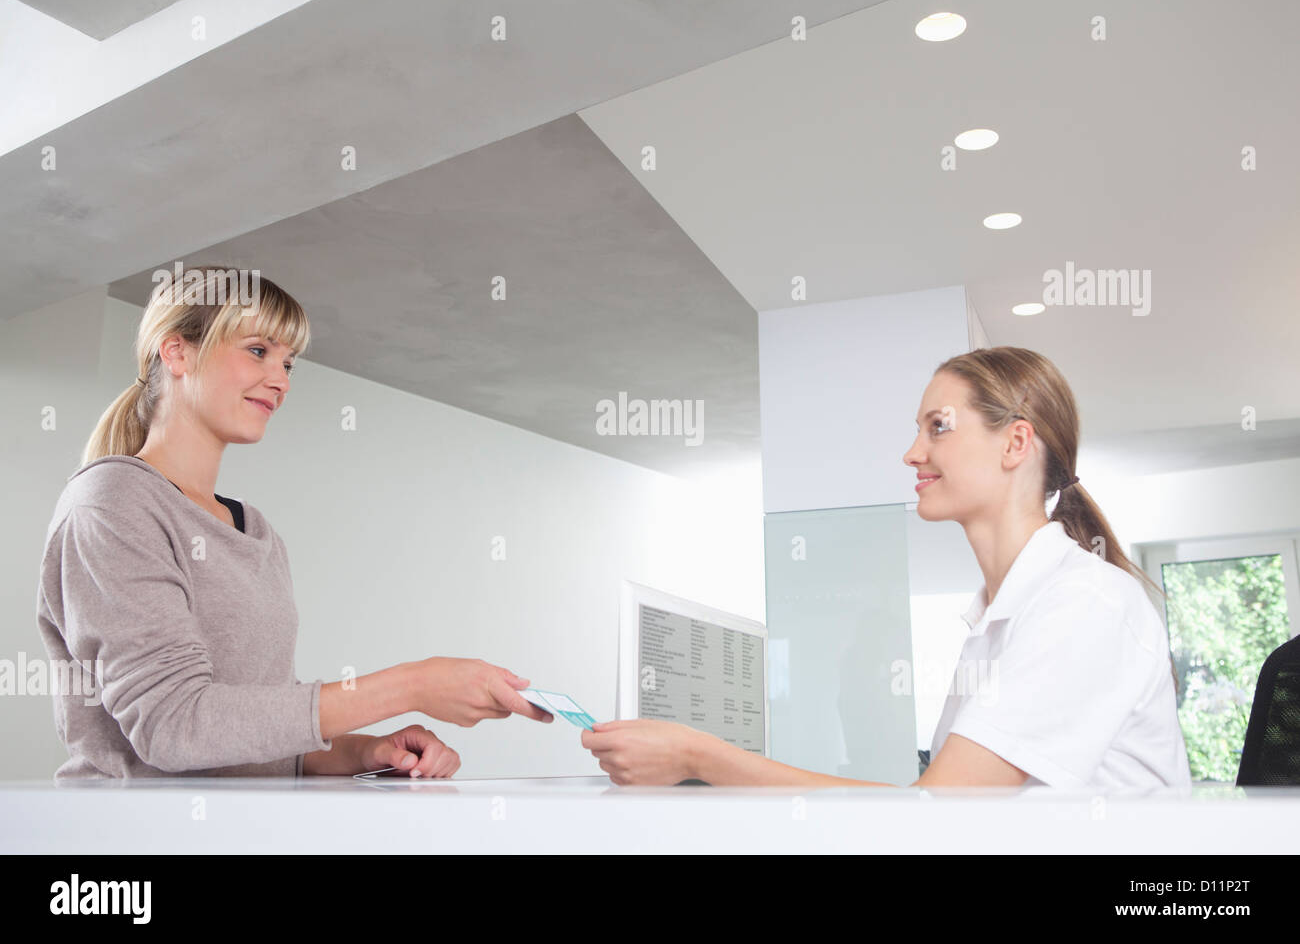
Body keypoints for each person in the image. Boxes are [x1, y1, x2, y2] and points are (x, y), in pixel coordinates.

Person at [581, 346, 1192, 791]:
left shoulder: (1086, 603)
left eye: (939, 428)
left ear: (1014, 444)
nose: (912, 453)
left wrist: (700, 758)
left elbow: (937, 819)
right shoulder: (996, 621)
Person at [36, 265, 551, 780]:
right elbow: (176, 726)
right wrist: (412, 685)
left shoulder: (253, 530)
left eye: (289, 363)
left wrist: (364, 752)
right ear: (177, 352)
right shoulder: (111, 503)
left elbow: (256, 734)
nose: (280, 380)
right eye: (258, 351)